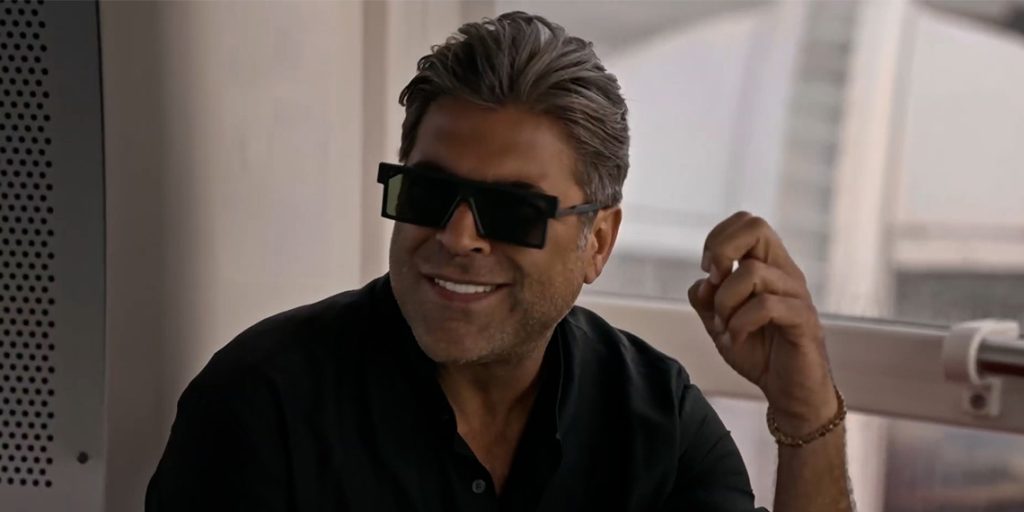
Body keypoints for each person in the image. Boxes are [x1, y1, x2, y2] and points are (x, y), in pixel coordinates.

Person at [146, 11, 852, 512]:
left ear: (598, 242)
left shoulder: (653, 419)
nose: (457, 237)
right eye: (429, 193)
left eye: (512, 209)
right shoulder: (260, 406)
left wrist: (805, 407)